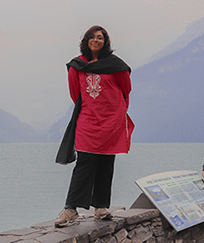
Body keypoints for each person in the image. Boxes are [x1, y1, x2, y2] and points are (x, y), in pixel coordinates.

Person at [54, 25, 134, 228]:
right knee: (84, 163)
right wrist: (92, 109)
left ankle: (100, 206)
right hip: (88, 121)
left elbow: (126, 90)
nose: (96, 40)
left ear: (106, 42)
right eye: (92, 37)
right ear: (86, 40)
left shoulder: (116, 65)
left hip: (111, 121)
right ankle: (70, 209)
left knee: (106, 163)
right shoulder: (76, 66)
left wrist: (114, 113)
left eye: (100, 37)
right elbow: (75, 94)